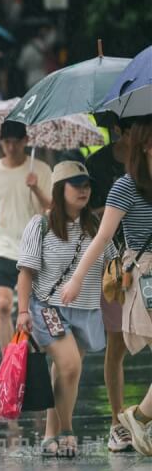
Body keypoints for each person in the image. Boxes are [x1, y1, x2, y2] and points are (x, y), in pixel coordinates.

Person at [61, 115, 152, 456]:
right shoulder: (125, 186)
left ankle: (138, 419)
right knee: (115, 349)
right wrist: (77, 278)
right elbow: (101, 238)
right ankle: (134, 420)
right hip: (140, 274)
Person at [17, 160, 116, 457]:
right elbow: (25, 273)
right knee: (71, 364)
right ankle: (67, 430)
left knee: (67, 372)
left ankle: (50, 434)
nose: (83, 191)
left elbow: (111, 262)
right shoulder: (41, 224)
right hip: (49, 308)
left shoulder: (96, 225)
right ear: (61, 190)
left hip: (85, 310)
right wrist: (22, 311)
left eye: (86, 185)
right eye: (76, 185)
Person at [0, 121, 52, 351]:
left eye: (15, 142)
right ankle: (8, 360)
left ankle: (29, 356)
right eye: (6, 142)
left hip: (33, 249)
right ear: (1, 143)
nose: (10, 147)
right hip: (3, 248)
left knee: (31, 309)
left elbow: (53, 208)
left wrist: (36, 188)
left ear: (25, 141)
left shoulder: (41, 170)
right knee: (3, 305)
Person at [85, 117, 134, 452]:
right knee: (116, 344)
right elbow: (86, 213)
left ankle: (141, 416)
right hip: (114, 266)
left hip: (145, 260)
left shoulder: (146, 160)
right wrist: (115, 210)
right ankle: (118, 422)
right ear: (120, 131)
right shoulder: (98, 164)